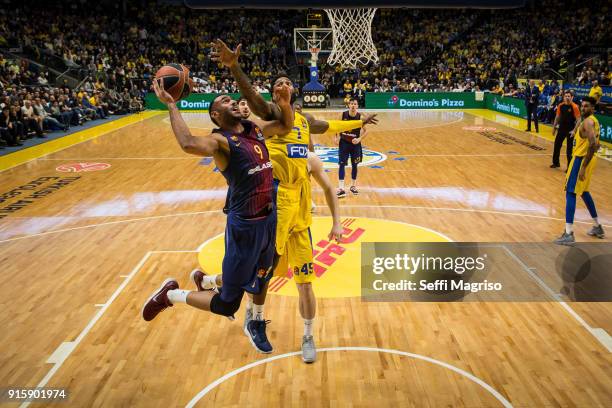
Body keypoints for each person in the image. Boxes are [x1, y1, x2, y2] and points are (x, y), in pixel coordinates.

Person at [211, 39, 377, 363]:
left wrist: (359, 122)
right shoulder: (270, 114)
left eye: (287, 82)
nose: (284, 85)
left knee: (304, 279)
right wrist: (235, 67)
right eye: (278, 84)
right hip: (273, 199)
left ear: (294, 90)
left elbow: (332, 125)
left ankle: (308, 336)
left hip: (300, 205)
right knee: (263, 269)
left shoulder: (303, 121)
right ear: (274, 94)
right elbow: (256, 102)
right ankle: (253, 316)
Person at [142, 78, 295, 354]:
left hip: (268, 221)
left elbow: (285, 126)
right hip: (244, 229)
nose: (232, 102)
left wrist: (285, 104)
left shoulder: (255, 129)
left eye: (232, 99)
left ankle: (244, 312)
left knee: (263, 275)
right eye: (225, 101)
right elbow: (188, 143)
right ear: (215, 115)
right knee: (228, 303)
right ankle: (171, 295)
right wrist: (171, 105)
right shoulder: (220, 141)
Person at [554, 97, 605, 245]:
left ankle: (568, 233)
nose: (583, 108)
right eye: (582, 106)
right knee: (583, 191)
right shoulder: (593, 121)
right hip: (588, 158)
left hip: (580, 159)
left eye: (586, 106)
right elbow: (597, 144)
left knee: (571, 192)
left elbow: (593, 143)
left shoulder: (588, 122)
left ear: (592, 108)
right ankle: (597, 226)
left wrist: (582, 167)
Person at [335, 97, 367, 198]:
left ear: (357, 106)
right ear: (349, 105)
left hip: (355, 144)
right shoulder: (343, 114)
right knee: (341, 164)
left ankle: (353, 186)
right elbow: (336, 126)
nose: (353, 105)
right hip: (344, 143)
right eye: (351, 103)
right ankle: (341, 188)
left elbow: (366, 131)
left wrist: (359, 139)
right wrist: (335, 137)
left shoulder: (360, 117)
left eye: (355, 104)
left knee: (355, 165)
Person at [551, 90, 580, 169]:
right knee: (557, 145)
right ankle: (556, 163)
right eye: (566, 96)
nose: (567, 97)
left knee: (569, 150)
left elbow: (579, 120)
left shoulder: (575, 107)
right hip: (561, 129)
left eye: (569, 96)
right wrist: (554, 128)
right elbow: (557, 117)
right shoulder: (561, 105)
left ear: (572, 97)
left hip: (570, 130)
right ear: (563, 97)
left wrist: (574, 130)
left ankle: (569, 167)